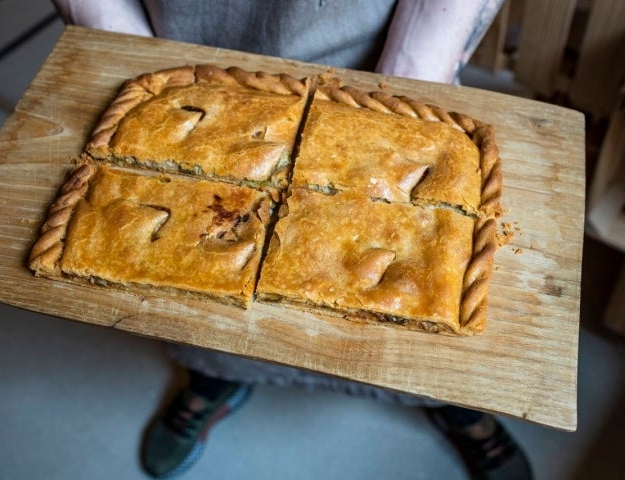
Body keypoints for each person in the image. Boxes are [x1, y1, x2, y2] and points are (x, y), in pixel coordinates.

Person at [51, 2, 533, 479]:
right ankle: (210, 378)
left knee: (427, 322)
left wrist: (410, 76)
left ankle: (452, 404)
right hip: (184, 41)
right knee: (196, 298)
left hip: (397, 47)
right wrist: (113, 33)